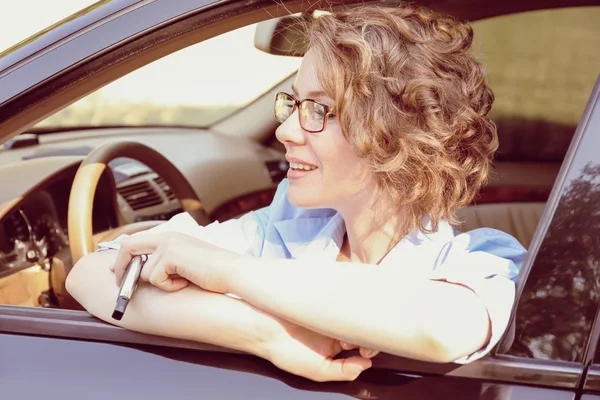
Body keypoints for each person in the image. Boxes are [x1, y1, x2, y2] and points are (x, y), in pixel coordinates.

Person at [66, 4, 527, 383]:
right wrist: (264, 335)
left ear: (395, 136)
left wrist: (224, 272)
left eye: (318, 111)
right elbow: (89, 274)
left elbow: (441, 328)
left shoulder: (482, 260)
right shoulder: (286, 229)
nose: (286, 130)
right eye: (292, 103)